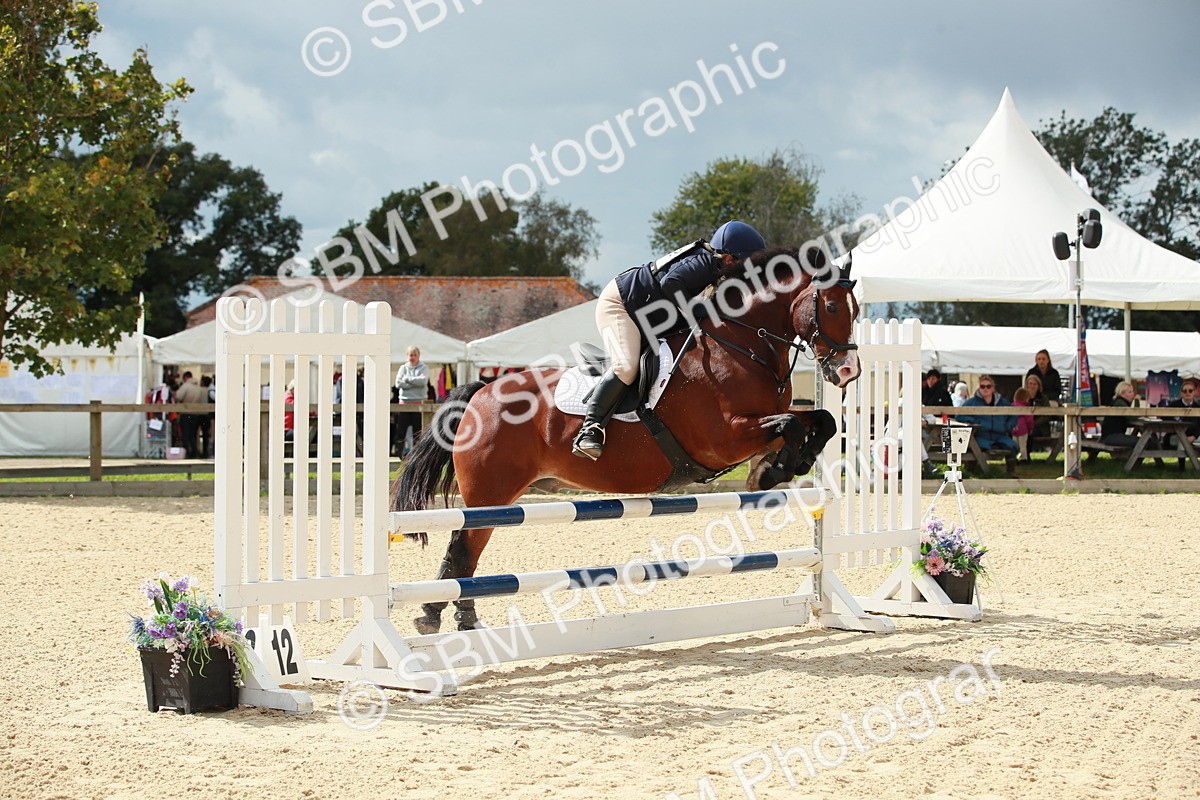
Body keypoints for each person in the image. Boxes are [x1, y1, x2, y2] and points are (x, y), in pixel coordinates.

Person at [573, 219, 766, 460]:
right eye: (746, 266)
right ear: (729, 259)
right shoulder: (704, 263)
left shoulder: (720, 271)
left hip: (653, 314)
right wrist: (697, 311)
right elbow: (671, 282)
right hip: (621, 305)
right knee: (626, 365)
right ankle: (589, 429)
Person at [960, 375, 1018, 456]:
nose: (985, 389)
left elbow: (1014, 414)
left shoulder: (1003, 402)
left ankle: (1010, 468)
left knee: (1012, 447)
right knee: (975, 448)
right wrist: (975, 422)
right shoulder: (971, 402)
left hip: (1000, 436)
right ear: (979, 388)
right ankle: (972, 468)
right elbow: (959, 415)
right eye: (982, 386)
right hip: (981, 436)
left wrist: (1007, 426)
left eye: (988, 386)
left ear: (993, 388)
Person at [394, 345, 428, 457]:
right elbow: (398, 384)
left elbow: (422, 382)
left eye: (414, 355)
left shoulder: (424, 368)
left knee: (417, 432)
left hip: (419, 404)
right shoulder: (403, 368)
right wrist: (414, 383)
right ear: (407, 356)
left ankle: (417, 455)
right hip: (404, 404)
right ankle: (400, 455)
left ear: (418, 356)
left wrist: (407, 380)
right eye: (410, 355)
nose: (412, 357)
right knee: (401, 432)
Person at [173, 370, 206, 458]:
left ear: (185, 378)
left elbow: (178, 396)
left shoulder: (186, 386)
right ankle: (194, 451)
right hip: (196, 414)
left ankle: (186, 451)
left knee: (185, 434)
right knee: (193, 435)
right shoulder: (198, 387)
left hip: (186, 413)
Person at [1100, 381, 1141, 448]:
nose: (1133, 394)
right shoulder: (1120, 403)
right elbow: (1133, 417)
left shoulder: (1120, 401)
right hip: (1112, 437)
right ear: (1122, 394)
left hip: (1111, 436)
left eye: (1132, 391)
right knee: (1143, 441)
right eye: (1129, 392)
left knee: (1143, 441)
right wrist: (1136, 402)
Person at [1012, 387, 1036, 460]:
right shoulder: (1025, 407)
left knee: (1014, 445)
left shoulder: (1012, 406)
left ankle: (1013, 458)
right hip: (1023, 429)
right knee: (1023, 446)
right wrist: (1031, 428)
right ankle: (1024, 458)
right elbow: (1029, 420)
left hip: (1014, 428)